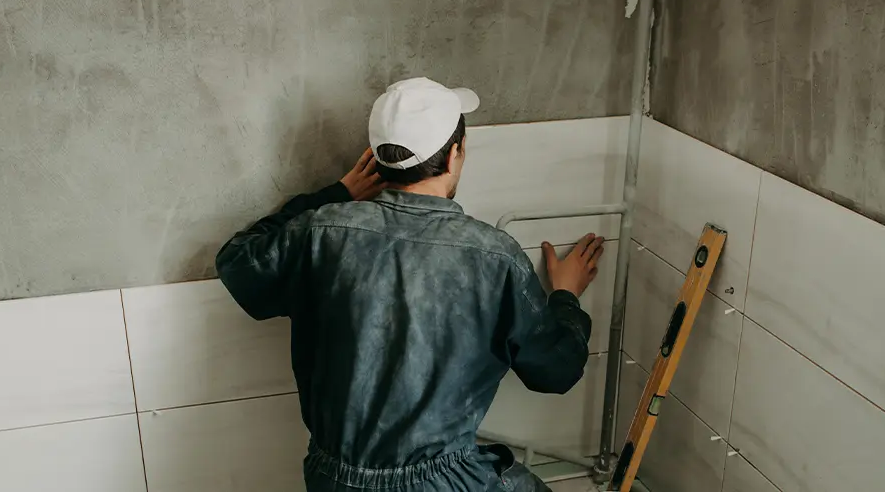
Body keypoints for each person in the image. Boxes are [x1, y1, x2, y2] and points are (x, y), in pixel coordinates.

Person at [216, 77, 605, 491]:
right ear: (456, 154)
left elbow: (238, 264)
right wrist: (565, 297)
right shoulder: (493, 255)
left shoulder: (321, 231)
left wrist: (337, 193)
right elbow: (556, 371)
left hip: (332, 479)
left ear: (379, 158)